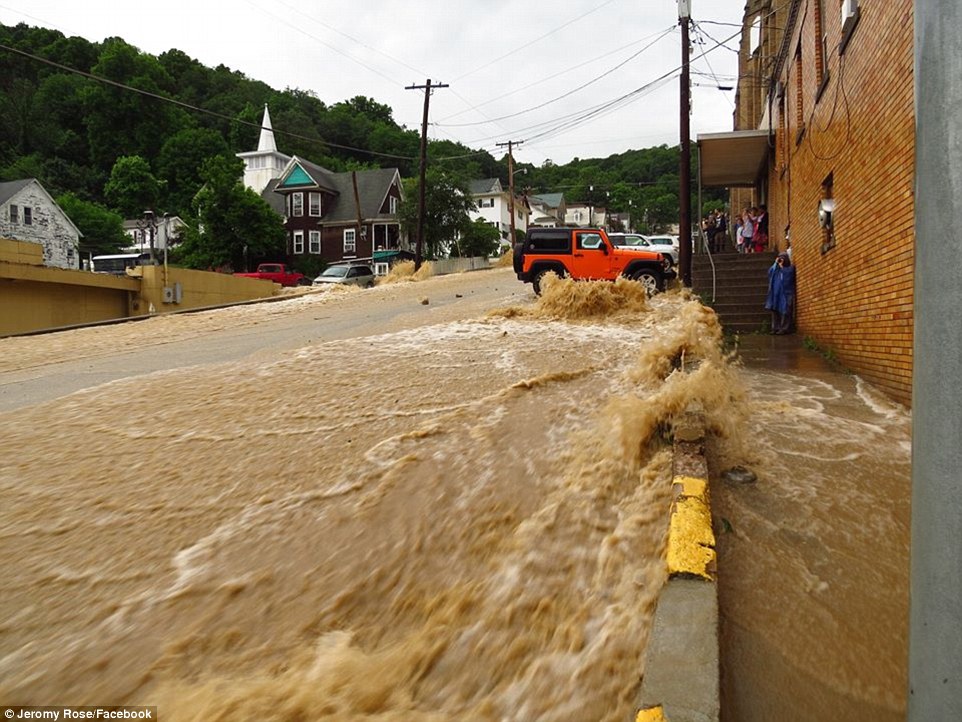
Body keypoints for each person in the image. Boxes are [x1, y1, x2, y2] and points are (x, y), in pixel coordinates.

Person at [765, 252, 796, 334]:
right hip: (775, 293)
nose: (781, 260)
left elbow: (788, 276)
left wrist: (782, 267)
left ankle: (784, 328)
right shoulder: (776, 269)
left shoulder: (790, 268)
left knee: (785, 311)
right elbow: (770, 272)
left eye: (783, 258)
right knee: (775, 311)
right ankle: (775, 328)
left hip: (785, 293)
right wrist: (776, 263)